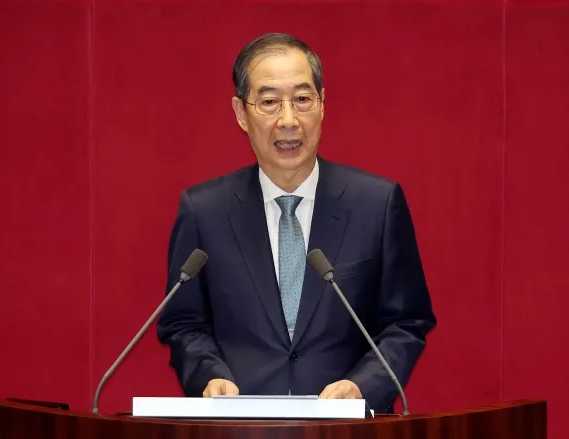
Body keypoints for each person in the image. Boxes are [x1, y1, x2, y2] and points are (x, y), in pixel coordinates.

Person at [157, 33, 436, 413]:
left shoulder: (377, 204)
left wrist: (363, 386)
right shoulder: (204, 211)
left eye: (302, 99)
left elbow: (407, 322)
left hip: (346, 428)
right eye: (269, 102)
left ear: (321, 105)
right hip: (239, 427)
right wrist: (208, 376)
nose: (288, 120)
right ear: (241, 113)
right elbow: (182, 323)